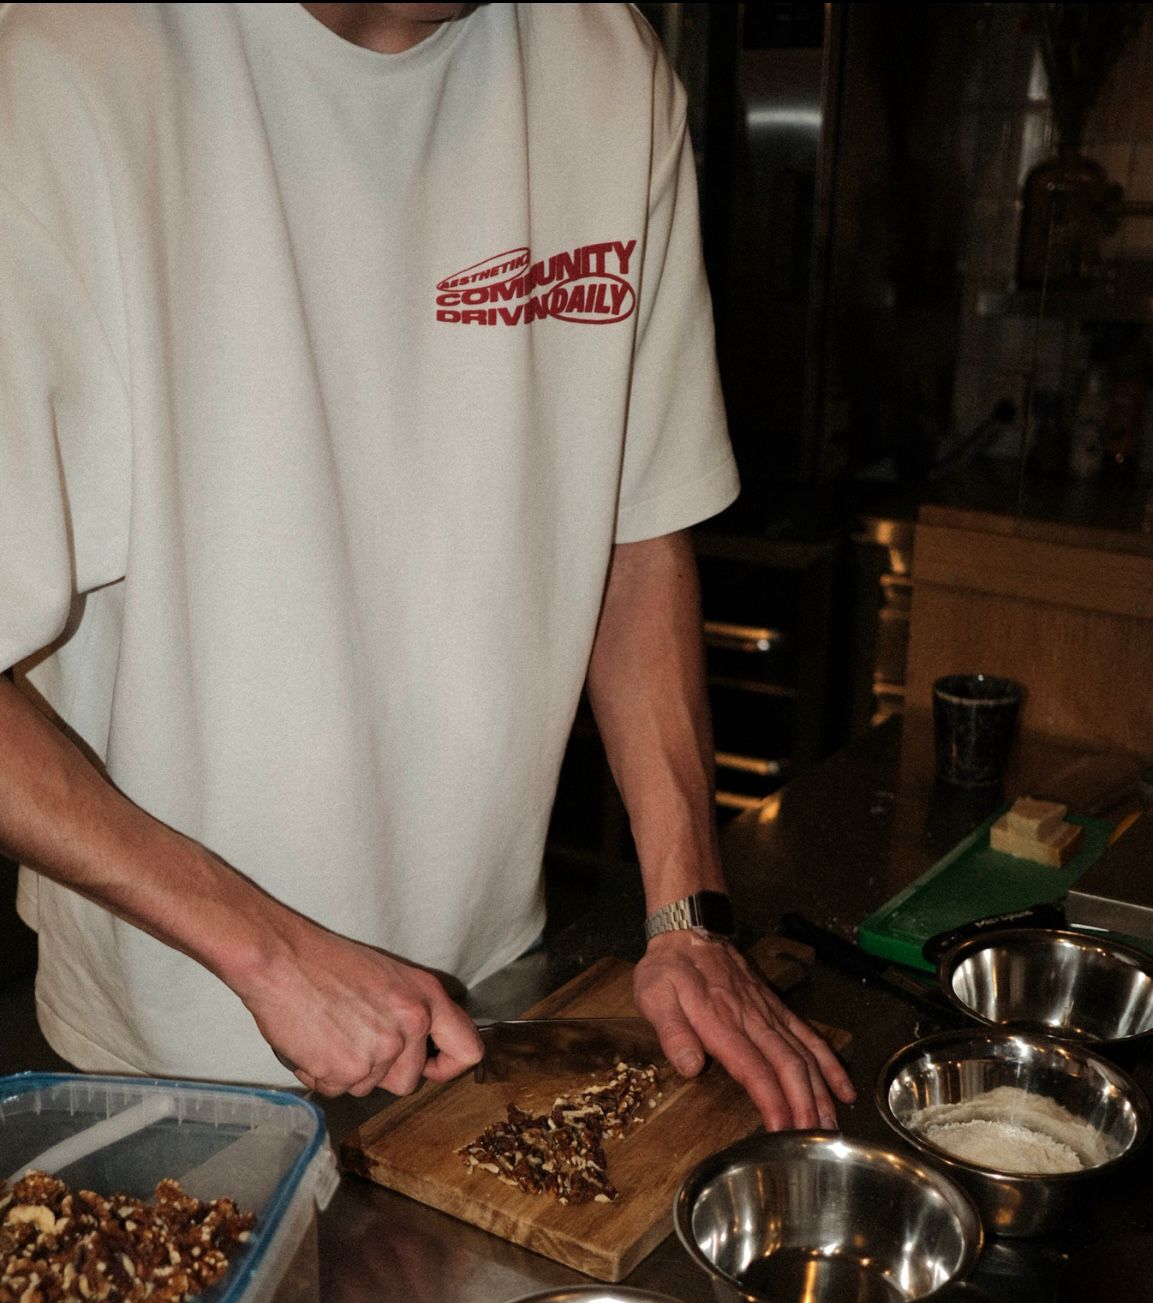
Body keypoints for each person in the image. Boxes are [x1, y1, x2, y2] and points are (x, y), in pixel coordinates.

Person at [0, 1, 854, 1130]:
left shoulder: (604, 60)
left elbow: (634, 531)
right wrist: (271, 955)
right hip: (166, 1061)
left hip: (487, 1011)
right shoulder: (66, 71)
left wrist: (686, 915)